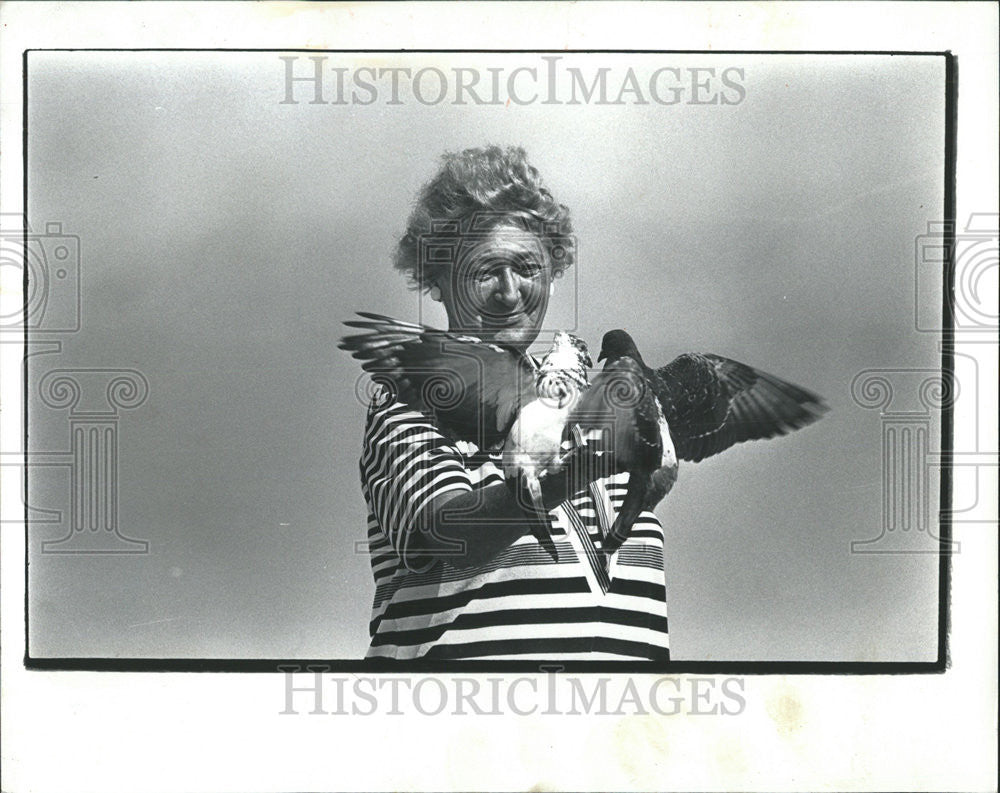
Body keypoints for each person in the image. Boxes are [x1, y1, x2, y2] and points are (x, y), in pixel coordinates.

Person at [359, 145, 670, 660]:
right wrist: (577, 470)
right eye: (486, 271)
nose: (509, 292)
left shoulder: (608, 403)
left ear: (553, 270)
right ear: (436, 282)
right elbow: (447, 531)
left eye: (526, 266)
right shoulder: (415, 395)